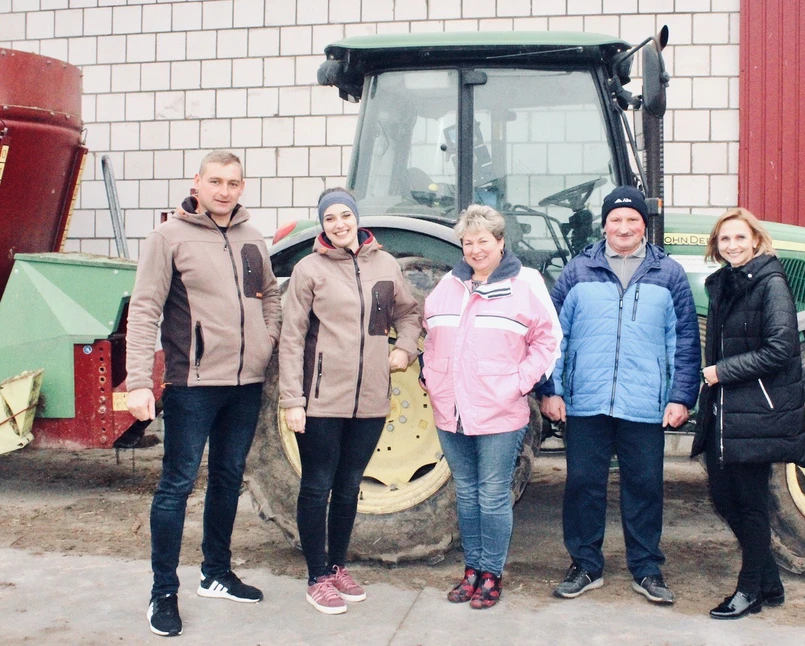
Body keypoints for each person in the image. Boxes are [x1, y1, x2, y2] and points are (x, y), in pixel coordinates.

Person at [125, 150, 281, 637]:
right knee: (176, 486)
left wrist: (265, 340)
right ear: (197, 182)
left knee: (229, 478)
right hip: (193, 385)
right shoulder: (168, 237)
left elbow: (271, 295)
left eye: (233, 183)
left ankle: (215, 573)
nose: (224, 191)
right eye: (215, 181)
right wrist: (137, 383)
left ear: (242, 187)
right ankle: (163, 593)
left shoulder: (252, 238)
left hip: (245, 384)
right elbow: (145, 309)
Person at [540, 186, 701, 605]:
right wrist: (551, 389)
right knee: (583, 484)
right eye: (616, 219)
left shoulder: (669, 274)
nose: (624, 227)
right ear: (604, 224)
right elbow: (553, 336)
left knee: (645, 485)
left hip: (645, 402)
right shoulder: (578, 271)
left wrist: (681, 396)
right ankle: (585, 565)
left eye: (632, 220)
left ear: (643, 225)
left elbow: (684, 340)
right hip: (586, 400)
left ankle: (646, 568)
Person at [279, 188, 422, 615]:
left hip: (373, 399)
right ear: (321, 225)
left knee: (348, 486)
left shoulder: (385, 263)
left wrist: (406, 347)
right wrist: (292, 399)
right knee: (317, 484)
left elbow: (408, 313)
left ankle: (338, 566)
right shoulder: (309, 270)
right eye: (330, 219)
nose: (339, 224)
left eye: (345, 215)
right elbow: (290, 339)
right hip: (322, 400)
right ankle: (316, 577)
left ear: (356, 217)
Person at [422, 204, 561, 609]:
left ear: (501, 242)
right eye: (468, 242)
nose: (476, 249)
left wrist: (517, 384)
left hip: (500, 411)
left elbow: (548, 341)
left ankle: (491, 574)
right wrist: (432, 377)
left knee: (493, 493)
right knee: (466, 492)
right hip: (452, 411)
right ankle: (471, 570)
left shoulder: (526, 283)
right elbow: (431, 335)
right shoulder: (448, 284)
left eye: (484, 240)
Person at [691, 207, 805, 619]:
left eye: (740, 238)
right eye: (725, 240)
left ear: (756, 240)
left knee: (751, 503)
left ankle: (749, 591)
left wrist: (722, 372)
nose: (733, 245)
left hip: (755, 410)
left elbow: (780, 349)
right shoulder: (725, 283)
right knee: (724, 498)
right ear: (716, 246)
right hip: (727, 408)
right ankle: (769, 582)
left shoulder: (770, 283)